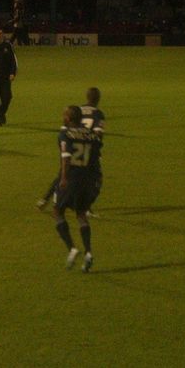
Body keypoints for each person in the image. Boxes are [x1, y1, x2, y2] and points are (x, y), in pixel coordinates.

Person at [51, 105, 103, 272]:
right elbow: (96, 159)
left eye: (64, 115)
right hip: (87, 180)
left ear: (68, 118)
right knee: (81, 214)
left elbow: (65, 158)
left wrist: (64, 178)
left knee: (58, 211)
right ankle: (88, 252)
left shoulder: (65, 134)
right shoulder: (92, 136)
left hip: (71, 178)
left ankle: (72, 248)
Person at [37, 87, 105, 211]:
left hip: (70, 142)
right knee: (93, 177)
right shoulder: (98, 114)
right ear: (98, 99)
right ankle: (86, 207)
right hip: (87, 148)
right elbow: (98, 135)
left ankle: (45, 199)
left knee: (64, 172)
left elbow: (65, 126)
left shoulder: (78, 109)